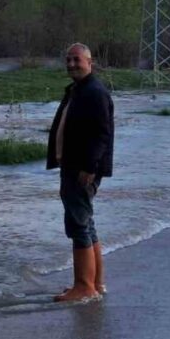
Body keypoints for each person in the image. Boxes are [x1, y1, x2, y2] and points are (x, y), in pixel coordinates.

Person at [47, 43, 114, 302]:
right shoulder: (79, 90)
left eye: (77, 60)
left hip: (81, 169)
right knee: (86, 222)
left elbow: (101, 133)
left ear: (90, 62)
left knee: (78, 224)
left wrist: (89, 167)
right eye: (68, 60)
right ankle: (95, 283)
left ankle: (84, 286)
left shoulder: (94, 92)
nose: (72, 64)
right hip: (74, 165)